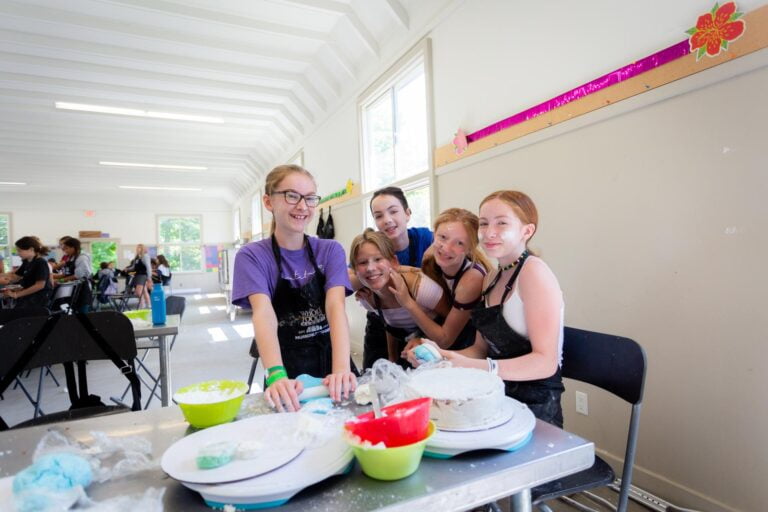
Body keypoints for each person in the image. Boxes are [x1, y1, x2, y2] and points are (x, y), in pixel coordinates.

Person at [407, 191, 565, 427]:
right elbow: (481, 349)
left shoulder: (533, 272)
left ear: (527, 231)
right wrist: (442, 357)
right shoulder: (492, 276)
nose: (489, 232)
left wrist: (479, 367)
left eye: (502, 223)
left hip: (537, 403)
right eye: (484, 223)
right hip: (498, 394)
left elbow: (545, 363)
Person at [232, 164, 357, 412]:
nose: (302, 206)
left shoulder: (330, 250)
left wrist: (341, 369)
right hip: (285, 369)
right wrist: (276, 374)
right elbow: (263, 313)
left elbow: (335, 307)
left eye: (310, 198)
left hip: (332, 361)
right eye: (292, 196)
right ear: (269, 202)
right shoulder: (252, 256)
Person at [392, 208, 492, 352]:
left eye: (459, 243)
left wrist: (408, 302)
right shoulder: (431, 256)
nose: (446, 248)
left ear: (470, 248)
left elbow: (446, 339)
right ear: (434, 234)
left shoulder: (471, 279)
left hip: (473, 348)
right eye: (442, 237)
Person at [350, 229, 449, 369]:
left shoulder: (420, 287)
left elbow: (452, 324)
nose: (370, 268)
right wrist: (392, 359)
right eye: (362, 262)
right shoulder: (366, 297)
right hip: (411, 347)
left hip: (443, 349)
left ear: (394, 262)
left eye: (378, 259)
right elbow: (391, 325)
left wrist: (423, 339)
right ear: (354, 269)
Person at [359, 187, 434, 369]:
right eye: (379, 216)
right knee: (374, 375)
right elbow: (352, 274)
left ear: (407, 213)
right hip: (385, 322)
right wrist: (366, 282)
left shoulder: (425, 239)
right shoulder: (371, 248)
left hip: (427, 320)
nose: (387, 220)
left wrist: (402, 271)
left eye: (393, 211)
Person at [0, 236, 52, 309]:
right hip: (30, 295)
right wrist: (6, 280)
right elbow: (15, 277)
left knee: (15, 314)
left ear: (31, 249)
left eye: (20, 251)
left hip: (39, 297)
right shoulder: (27, 261)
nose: (18, 253)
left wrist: (16, 294)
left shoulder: (40, 262)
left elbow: (39, 285)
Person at [57, 237, 93, 313]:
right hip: (72, 289)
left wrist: (60, 280)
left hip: (82, 289)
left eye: (66, 248)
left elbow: (77, 276)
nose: (65, 251)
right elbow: (67, 273)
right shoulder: (71, 257)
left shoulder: (82, 258)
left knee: (82, 313)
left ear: (73, 248)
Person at [124, 244, 152, 308]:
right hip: (137, 275)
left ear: (142, 249)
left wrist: (149, 278)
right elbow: (134, 267)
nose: (137, 249)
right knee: (144, 291)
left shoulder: (145, 256)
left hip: (142, 275)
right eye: (137, 248)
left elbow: (148, 267)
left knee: (138, 292)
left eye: (139, 248)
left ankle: (142, 304)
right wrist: (128, 269)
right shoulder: (137, 257)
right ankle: (148, 305)